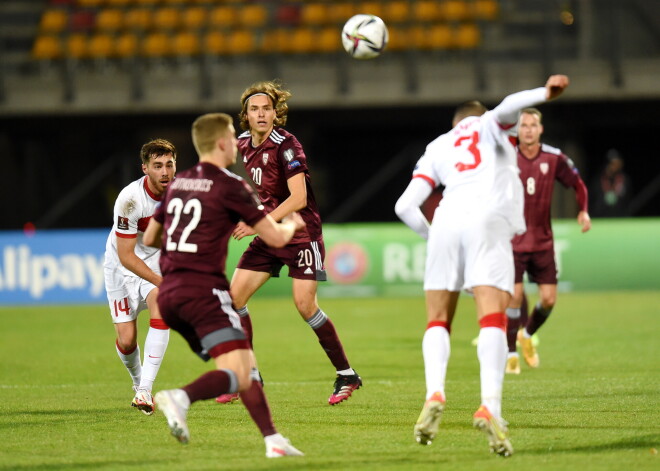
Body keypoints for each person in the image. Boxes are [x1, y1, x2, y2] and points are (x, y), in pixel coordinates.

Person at [395, 75, 571, 457]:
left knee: (437, 320)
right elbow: (509, 105)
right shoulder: (491, 124)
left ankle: (434, 393)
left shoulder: (438, 146)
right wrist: (545, 93)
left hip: (445, 219)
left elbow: (404, 207)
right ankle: (490, 406)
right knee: (492, 318)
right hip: (487, 220)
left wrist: (435, 239)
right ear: (477, 118)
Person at [143, 113, 305, 458]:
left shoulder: (179, 182)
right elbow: (275, 238)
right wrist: (293, 224)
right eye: (233, 137)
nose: (237, 143)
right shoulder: (231, 184)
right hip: (204, 293)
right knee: (241, 371)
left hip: (170, 295)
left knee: (241, 365)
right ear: (220, 143)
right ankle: (180, 397)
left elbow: (151, 236)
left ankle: (273, 440)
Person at [216, 80, 361, 406]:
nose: (261, 114)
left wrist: (257, 222)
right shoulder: (241, 143)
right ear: (246, 116)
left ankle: (347, 374)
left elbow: (298, 198)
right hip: (270, 235)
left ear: (275, 113)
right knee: (233, 299)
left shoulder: (287, 145)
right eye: (254, 109)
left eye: (266, 108)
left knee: (305, 306)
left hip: (299, 234)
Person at [505, 108, 591, 375]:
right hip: (514, 241)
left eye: (533, 125)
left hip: (542, 242)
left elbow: (578, 184)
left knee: (549, 300)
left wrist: (583, 209)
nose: (528, 129)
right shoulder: (506, 158)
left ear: (540, 129)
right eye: (524, 125)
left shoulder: (554, 158)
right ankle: (510, 355)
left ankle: (527, 335)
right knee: (515, 297)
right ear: (517, 130)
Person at [103, 138, 176, 415]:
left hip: (154, 260)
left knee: (162, 307)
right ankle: (137, 383)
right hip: (121, 266)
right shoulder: (130, 199)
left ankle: (146, 389)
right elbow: (126, 255)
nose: (165, 172)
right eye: (157, 166)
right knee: (126, 340)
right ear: (145, 168)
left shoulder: (181, 195)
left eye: (169, 164)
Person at [590, 149, 630, 217]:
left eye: (618, 163)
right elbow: (593, 201)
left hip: (620, 217)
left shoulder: (624, 180)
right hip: (601, 217)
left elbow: (628, 200)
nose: (616, 166)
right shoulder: (598, 180)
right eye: (614, 163)